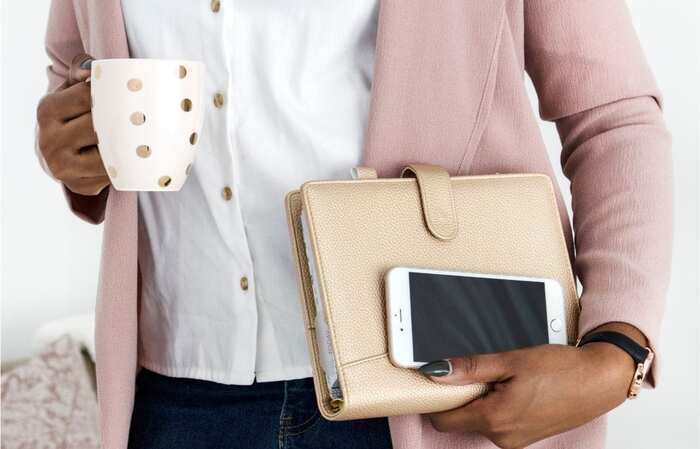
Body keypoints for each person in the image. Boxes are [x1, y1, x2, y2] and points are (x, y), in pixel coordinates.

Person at [35, 1, 672, 449]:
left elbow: (610, 115)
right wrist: (68, 151)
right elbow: (75, 78)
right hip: (177, 399)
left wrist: (618, 347)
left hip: (427, 397)